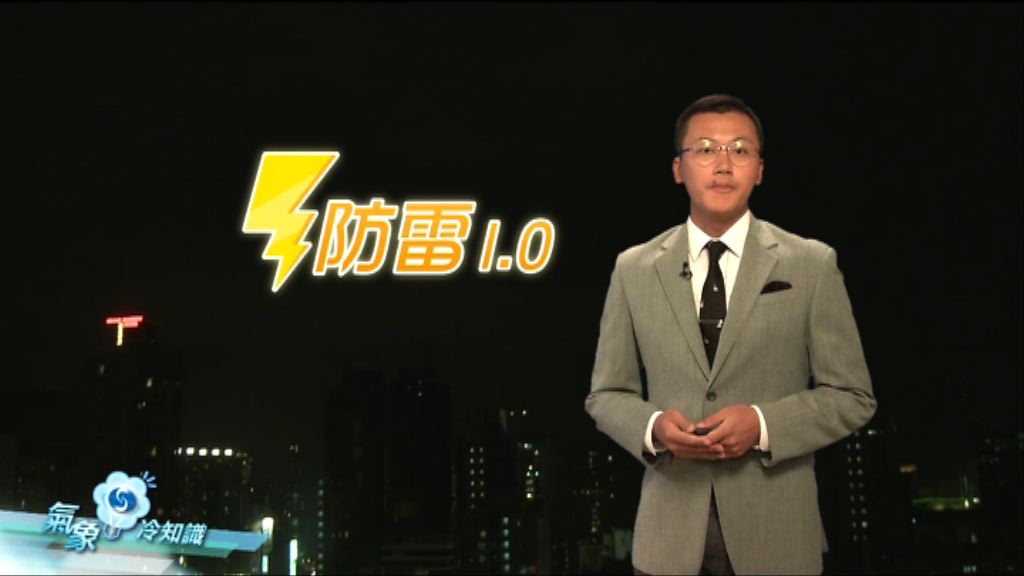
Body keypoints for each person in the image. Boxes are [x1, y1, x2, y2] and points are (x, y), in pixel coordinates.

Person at [585, 94, 876, 575]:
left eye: (739, 150)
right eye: (705, 149)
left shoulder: (811, 264)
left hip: (778, 539)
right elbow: (606, 394)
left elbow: (852, 396)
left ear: (759, 169)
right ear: (678, 169)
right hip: (668, 542)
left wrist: (762, 425)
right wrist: (654, 428)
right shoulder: (634, 269)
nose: (723, 164)